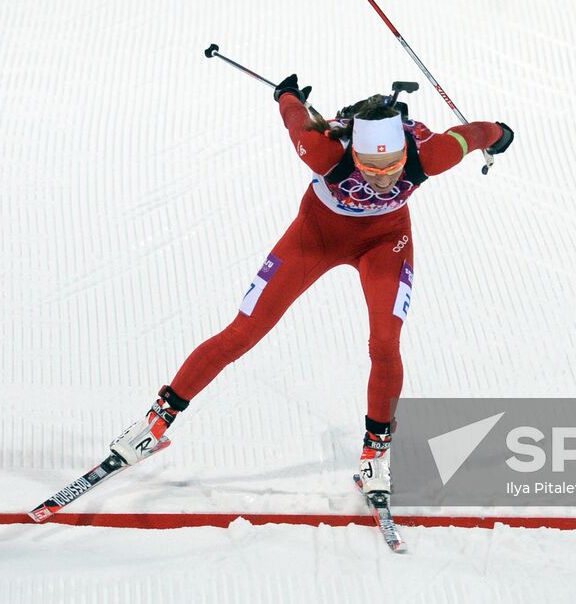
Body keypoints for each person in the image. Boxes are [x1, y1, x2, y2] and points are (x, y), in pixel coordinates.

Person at [105, 73, 514, 495]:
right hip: (314, 238)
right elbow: (296, 120)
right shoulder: (323, 151)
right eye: (369, 166)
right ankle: (154, 424)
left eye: (391, 165)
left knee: (385, 343)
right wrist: (287, 95)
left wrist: (499, 134)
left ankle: (375, 455)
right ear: (352, 152)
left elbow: (472, 133)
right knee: (244, 331)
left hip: (385, 243)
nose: (382, 178)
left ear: (403, 152)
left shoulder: (431, 155)